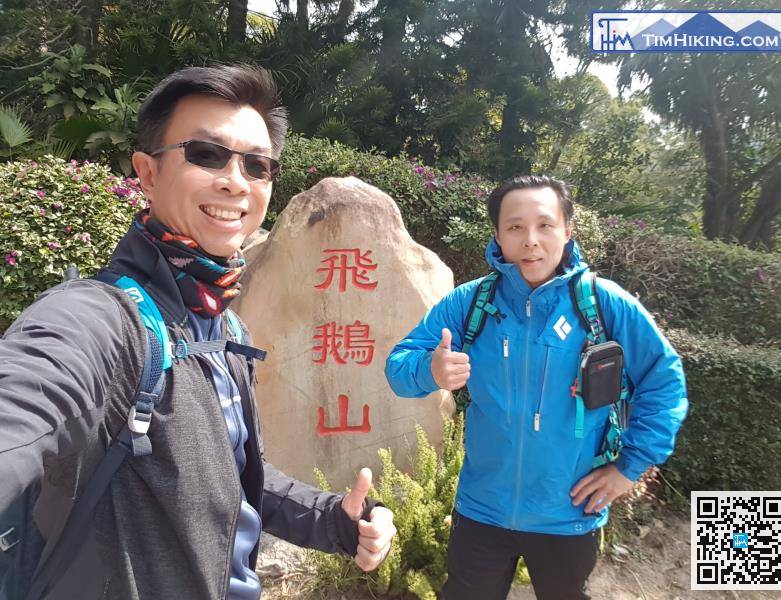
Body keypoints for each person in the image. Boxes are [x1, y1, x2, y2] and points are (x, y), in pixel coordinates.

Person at [0, 64, 395, 600]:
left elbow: (226, 474)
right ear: (148, 171)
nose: (236, 180)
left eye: (258, 166)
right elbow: (27, 401)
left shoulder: (221, 321)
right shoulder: (101, 318)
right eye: (206, 154)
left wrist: (333, 519)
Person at [384, 175, 687, 600]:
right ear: (497, 235)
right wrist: (429, 370)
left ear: (567, 231)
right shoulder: (470, 303)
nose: (530, 240)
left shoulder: (604, 305)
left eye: (545, 225)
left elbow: (665, 381)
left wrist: (628, 468)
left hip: (569, 513)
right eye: (515, 227)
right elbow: (398, 366)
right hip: (482, 510)